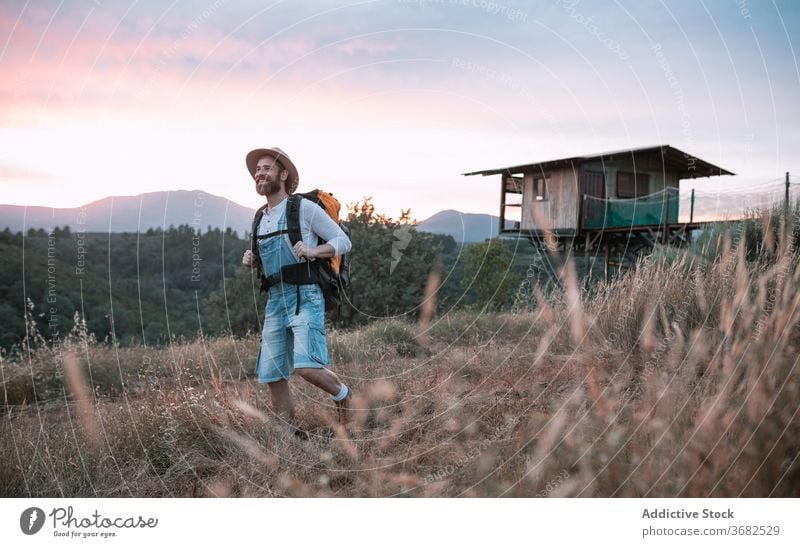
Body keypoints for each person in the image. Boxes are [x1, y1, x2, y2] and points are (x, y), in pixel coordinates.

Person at [241, 147, 353, 429]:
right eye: (257, 170)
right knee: (272, 374)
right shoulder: (259, 217)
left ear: (283, 174)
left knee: (306, 367)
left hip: (305, 295)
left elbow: (343, 242)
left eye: (267, 168)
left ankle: (344, 397)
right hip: (275, 300)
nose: (260, 173)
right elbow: (271, 262)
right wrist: (254, 261)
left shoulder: (303, 208)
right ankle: (289, 439)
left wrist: (315, 251)